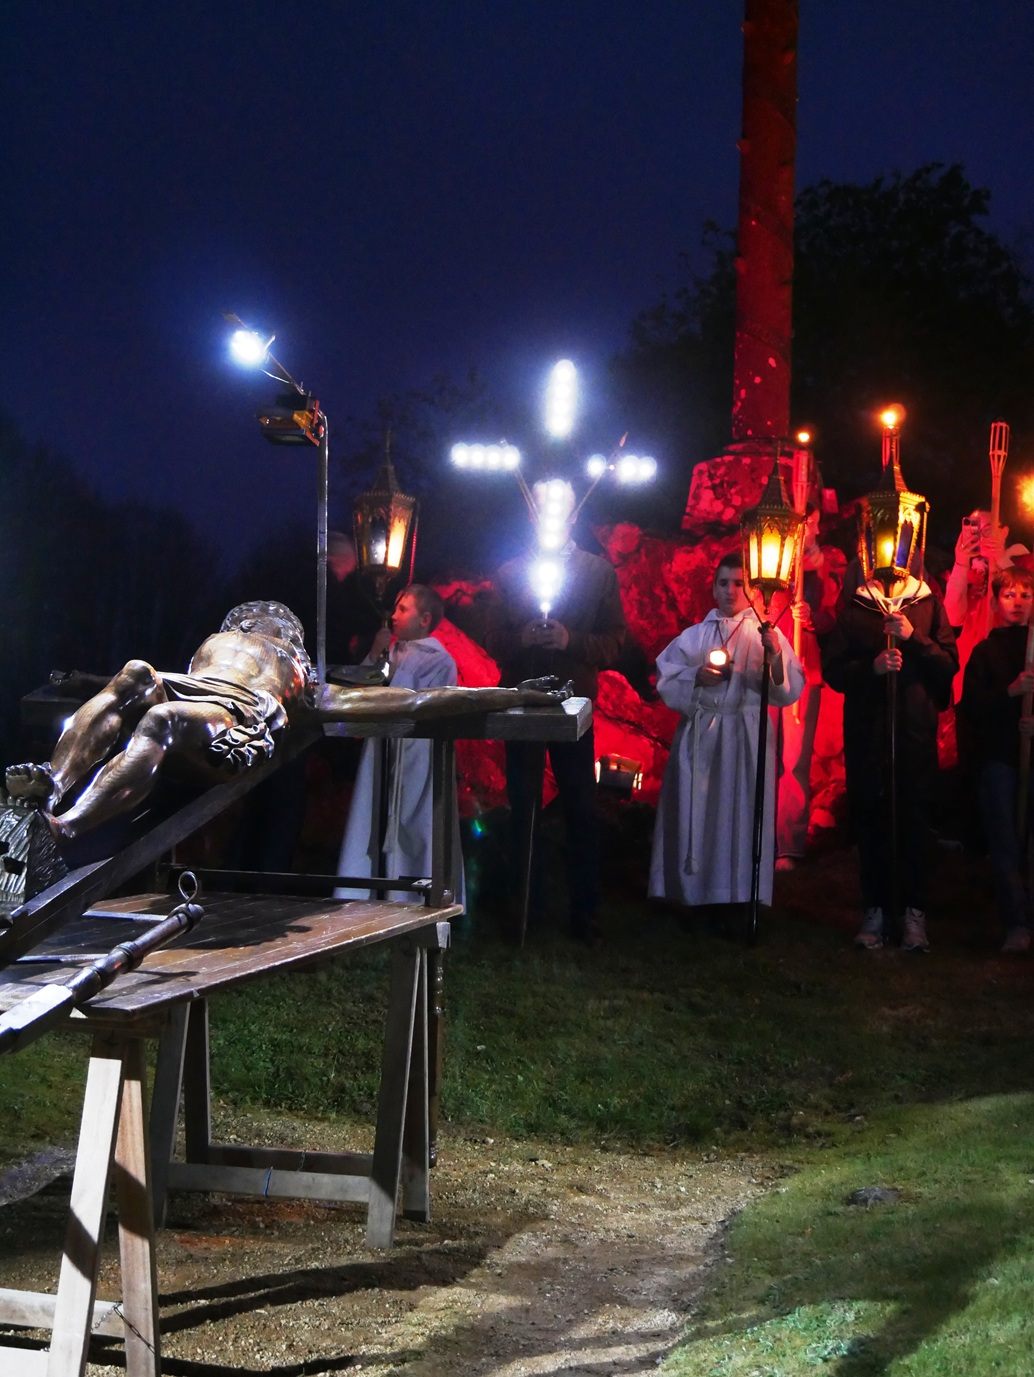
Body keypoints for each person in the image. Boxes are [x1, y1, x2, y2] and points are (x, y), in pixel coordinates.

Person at [6, 600, 570, 847]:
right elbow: (107, 684)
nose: (262, 622)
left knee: (161, 719)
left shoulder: (307, 682)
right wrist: (79, 679)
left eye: (274, 620)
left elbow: (419, 702)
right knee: (133, 673)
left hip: (234, 715)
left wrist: (514, 692)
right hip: (188, 683)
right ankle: (50, 786)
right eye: (254, 618)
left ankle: (66, 827)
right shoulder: (220, 643)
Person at [486, 478, 626, 943]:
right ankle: (523, 908)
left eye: (558, 506)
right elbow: (492, 638)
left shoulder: (598, 572)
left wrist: (571, 640)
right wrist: (520, 639)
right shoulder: (510, 572)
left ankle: (584, 913)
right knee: (523, 803)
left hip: (573, 705)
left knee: (580, 805)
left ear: (573, 513)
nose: (548, 513)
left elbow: (614, 642)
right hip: (521, 702)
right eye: (541, 505)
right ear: (531, 512)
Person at [648, 553, 804, 914]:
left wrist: (774, 656)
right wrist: (696, 677)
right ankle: (692, 894)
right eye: (723, 583)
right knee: (698, 812)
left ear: (751, 590)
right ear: (714, 588)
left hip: (746, 737)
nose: (731, 591)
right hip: (701, 735)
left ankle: (738, 895)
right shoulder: (695, 636)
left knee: (741, 815)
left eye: (739, 584)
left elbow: (786, 689)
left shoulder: (767, 635)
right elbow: (667, 676)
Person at [821, 558, 958, 951]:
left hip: (914, 733)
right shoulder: (857, 607)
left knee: (914, 820)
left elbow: (948, 664)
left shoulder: (927, 603)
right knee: (871, 819)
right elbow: (834, 670)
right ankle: (875, 909)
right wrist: (872, 667)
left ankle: (913, 912)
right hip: (868, 733)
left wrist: (914, 637)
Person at [335, 585, 464, 902]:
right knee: (373, 813)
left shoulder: (440, 660)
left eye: (403, 609)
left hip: (420, 754)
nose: (394, 616)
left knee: (417, 822)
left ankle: (415, 895)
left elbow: (420, 701)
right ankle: (364, 890)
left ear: (425, 619)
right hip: (382, 747)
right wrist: (376, 654)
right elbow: (363, 687)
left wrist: (393, 674)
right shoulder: (392, 652)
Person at [959, 566, 1034, 954]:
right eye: (1009, 595)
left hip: (1030, 756)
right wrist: (1010, 692)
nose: (1017, 603)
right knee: (1005, 840)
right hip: (1000, 758)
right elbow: (972, 707)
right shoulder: (985, 652)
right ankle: (1016, 923)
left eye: (1025, 595)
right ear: (995, 602)